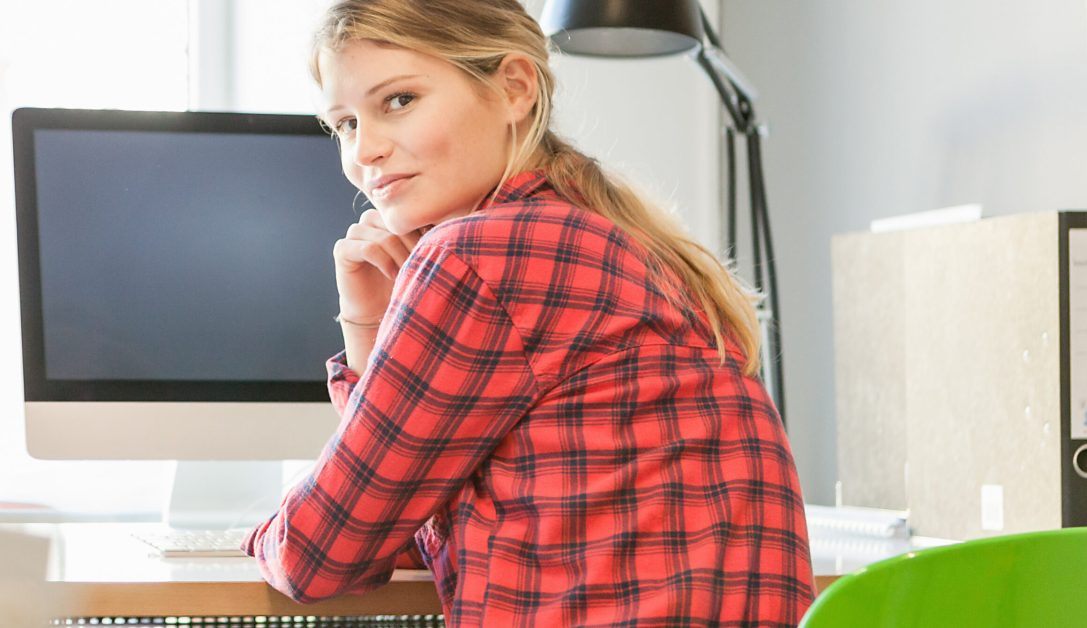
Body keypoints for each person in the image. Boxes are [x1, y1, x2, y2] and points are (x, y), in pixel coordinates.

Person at [241, 0, 814, 624]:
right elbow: (403, 523)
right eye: (345, 123)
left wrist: (256, 535)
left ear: (515, 87)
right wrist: (372, 326)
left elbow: (318, 554)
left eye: (399, 100)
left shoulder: (481, 254)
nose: (366, 151)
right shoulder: (634, 246)